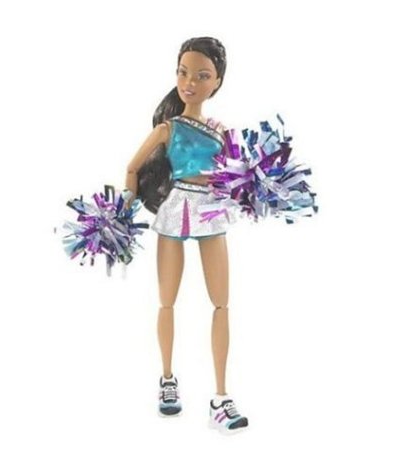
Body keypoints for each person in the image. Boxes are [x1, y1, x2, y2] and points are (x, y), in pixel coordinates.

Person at [124, 37, 248, 435]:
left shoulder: (221, 131)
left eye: (202, 76)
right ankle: (167, 379)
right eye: (183, 73)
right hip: (176, 209)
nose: (190, 83)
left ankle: (221, 398)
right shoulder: (169, 129)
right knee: (167, 301)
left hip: (211, 211)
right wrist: (122, 208)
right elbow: (132, 168)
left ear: (217, 82)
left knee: (221, 303)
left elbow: (239, 174)